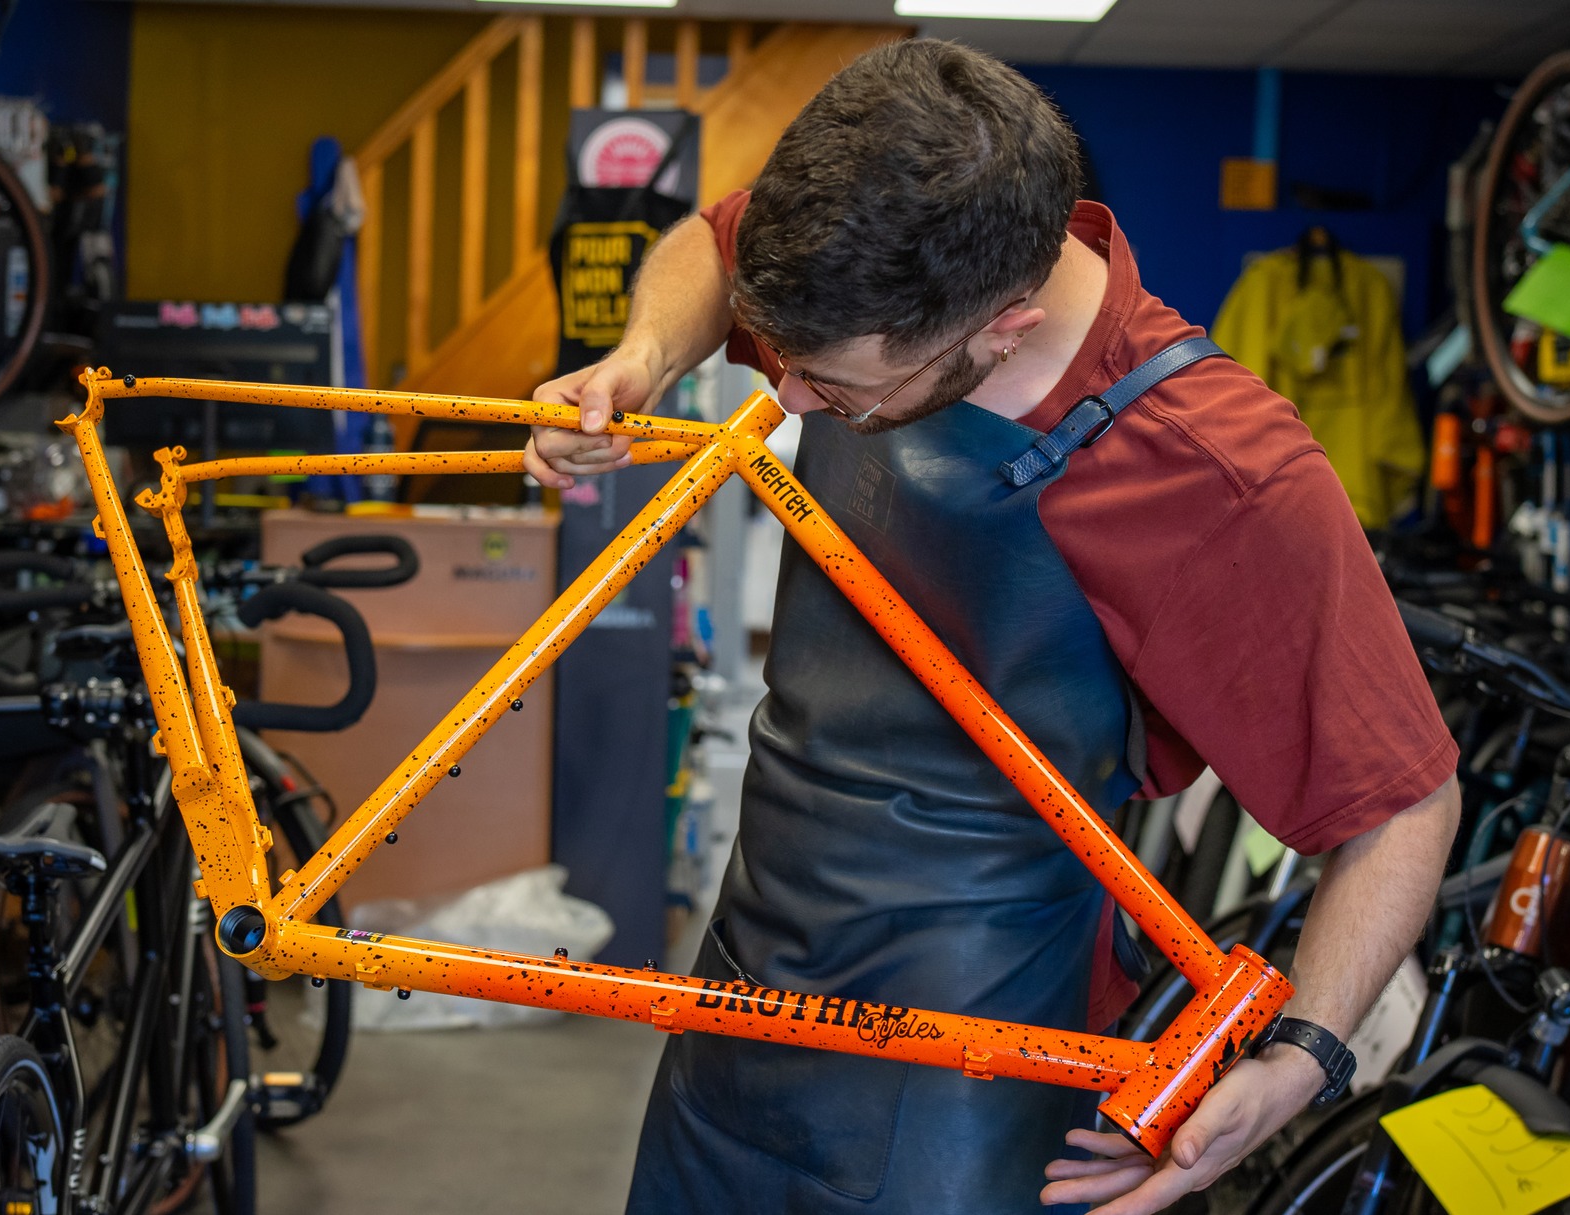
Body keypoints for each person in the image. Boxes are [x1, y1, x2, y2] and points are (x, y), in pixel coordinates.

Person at [524, 39, 1460, 1215]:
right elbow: (718, 242)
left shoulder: (1222, 475)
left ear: (1005, 326)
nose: (790, 398)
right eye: (788, 357)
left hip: (968, 1065)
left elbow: (1403, 802)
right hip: (742, 995)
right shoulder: (872, 249)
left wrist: (1302, 1062)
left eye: (834, 385)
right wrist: (643, 358)